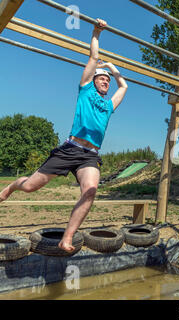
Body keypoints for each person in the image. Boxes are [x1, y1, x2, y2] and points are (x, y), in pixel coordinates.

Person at [0, 19, 128, 253]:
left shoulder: (109, 105)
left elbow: (125, 87)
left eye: (107, 80)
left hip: (90, 155)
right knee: (30, 187)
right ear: (94, 80)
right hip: (71, 148)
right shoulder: (85, 90)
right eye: (102, 78)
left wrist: (112, 67)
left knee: (90, 191)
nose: (105, 81)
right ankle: (10, 188)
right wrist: (96, 33)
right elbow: (92, 59)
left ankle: (66, 238)